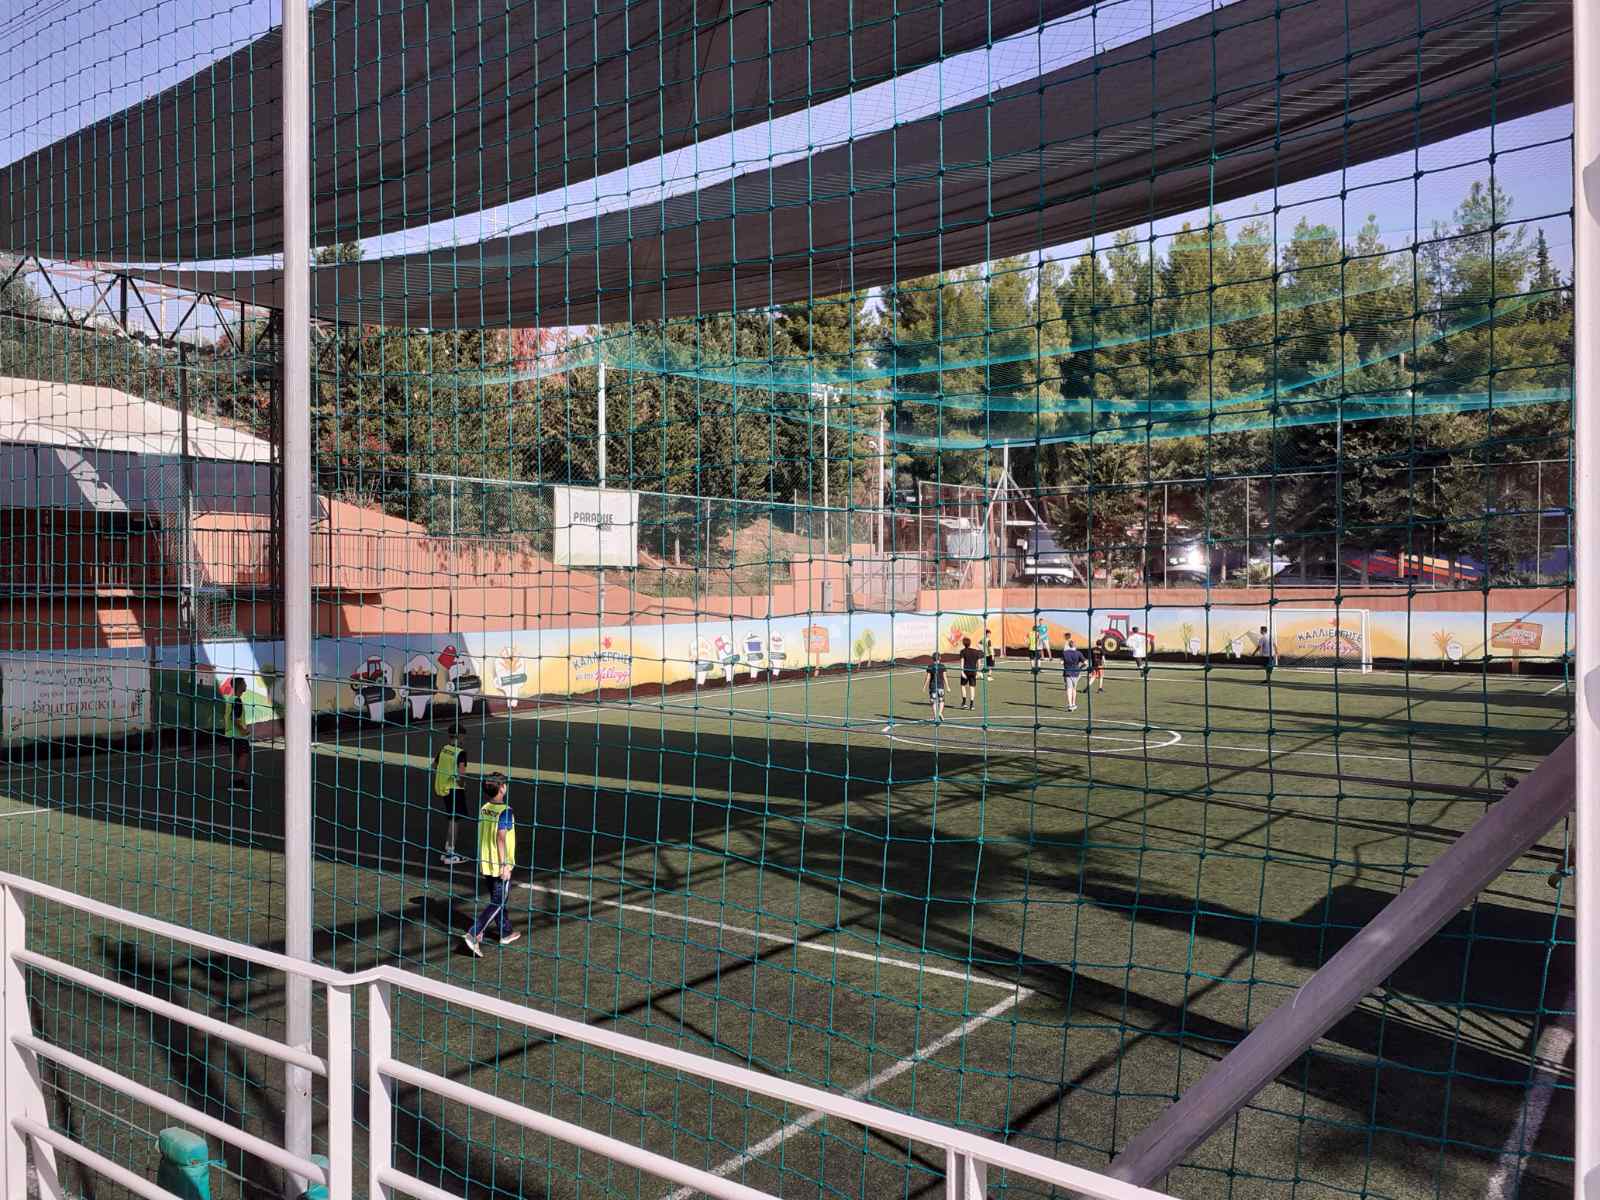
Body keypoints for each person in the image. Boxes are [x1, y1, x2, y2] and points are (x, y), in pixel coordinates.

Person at [462, 775, 520, 956]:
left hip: (486, 861)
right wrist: (504, 865)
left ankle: (506, 932)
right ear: (502, 788)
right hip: (499, 864)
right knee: (498, 901)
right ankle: (474, 933)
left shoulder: (484, 808)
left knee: (499, 898)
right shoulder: (506, 811)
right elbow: (501, 838)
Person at [433, 728, 472, 865]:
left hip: (444, 788)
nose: (464, 740)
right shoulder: (461, 753)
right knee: (454, 821)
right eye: (463, 737)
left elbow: (434, 766)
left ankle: (448, 848)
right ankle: (450, 853)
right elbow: (461, 774)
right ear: (459, 736)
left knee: (451, 818)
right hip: (455, 789)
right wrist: (462, 783)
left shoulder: (444, 749)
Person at [225, 677, 251, 791]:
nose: (246, 685)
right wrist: (243, 730)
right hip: (238, 735)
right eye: (244, 683)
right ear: (240, 686)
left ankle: (235, 781)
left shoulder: (231, 699)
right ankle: (238, 783)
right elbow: (234, 718)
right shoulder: (237, 700)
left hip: (231, 734)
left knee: (236, 757)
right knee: (244, 755)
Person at [1061, 636, 1086, 712]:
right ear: (1075, 646)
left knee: (1069, 688)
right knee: (1074, 688)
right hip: (1076, 672)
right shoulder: (1078, 653)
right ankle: (1073, 704)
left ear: (1069, 645)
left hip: (1067, 672)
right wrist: (1080, 668)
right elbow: (1086, 663)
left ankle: (1070, 704)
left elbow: (1061, 662)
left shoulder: (1065, 653)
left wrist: (1066, 664)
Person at [958, 637, 983, 710]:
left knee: (963, 686)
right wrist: (978, 671)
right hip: (973, 671)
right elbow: (979, 663)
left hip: (965, 671)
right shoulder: (976, 651)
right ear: (970, 643)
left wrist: (962, 672)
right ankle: (972, 705)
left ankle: (964, 703)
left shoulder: (962, 651)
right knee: (972, 687)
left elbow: (962, 662)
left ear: (963, 644)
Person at [926, 653, 948, 723]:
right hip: (940, 686)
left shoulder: (930, 666)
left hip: (933, 686)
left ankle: (936, 716)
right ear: (940, 658)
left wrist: (924, 686)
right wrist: (948, 686)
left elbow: (928, 677)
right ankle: (940, 713)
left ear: (932, 658)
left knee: (933, 701)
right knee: (941, 700)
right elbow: (945, 677)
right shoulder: (942, 666)